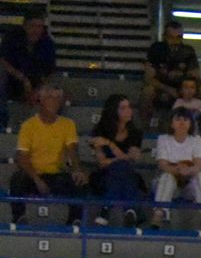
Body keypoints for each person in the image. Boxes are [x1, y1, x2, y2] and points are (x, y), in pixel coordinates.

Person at [7, 83, 84, 224]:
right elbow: (22, 157)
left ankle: (75, 220)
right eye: (50, 97)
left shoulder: (68, 124)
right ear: (41, 100)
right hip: (33, 175)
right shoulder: (28, 125)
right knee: (17, 179)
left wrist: (76, 169)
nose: (54, 101)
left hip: (56, 175)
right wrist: (37, 180)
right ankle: (19, 217)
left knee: (79, 181)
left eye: (57, 98)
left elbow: (72, 150)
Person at [152, 108, 201, 231]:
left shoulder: (196, 140)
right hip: (168, 184)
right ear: (171, 123)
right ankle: (159, 213)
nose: (181, 122)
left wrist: (187, 171)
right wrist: (178, 169)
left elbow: (200, 165)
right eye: (178, 119)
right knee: (167, 177)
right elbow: (163, 165)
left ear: (190, 123)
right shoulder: (163, 139)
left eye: (185, 120)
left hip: (188, 185)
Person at [89, 94, 145, 227]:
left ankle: (106, 210)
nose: (129, 111)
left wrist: (109, 144)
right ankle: (131, 210)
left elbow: (132, 158)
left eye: (129, 107)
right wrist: (120, 158)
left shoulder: (135, 133)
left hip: (127, 175)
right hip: (105, 176)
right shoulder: (99, 131)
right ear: (113, 111)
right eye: (123, 108)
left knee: (123, 166)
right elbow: (102, 163)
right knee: (121, 166)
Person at [142, 18, 198, 122]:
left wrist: (182, 89)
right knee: (147, 92)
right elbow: (148, 78)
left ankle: (195, 129)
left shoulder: (188, 51)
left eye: (179, 38)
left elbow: (195, 75)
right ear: (164, 37)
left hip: (182, 87)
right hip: (160, 86)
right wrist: (167, 89)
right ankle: (146, 126)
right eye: (171, 38)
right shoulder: (156, 50)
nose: (175, 41)